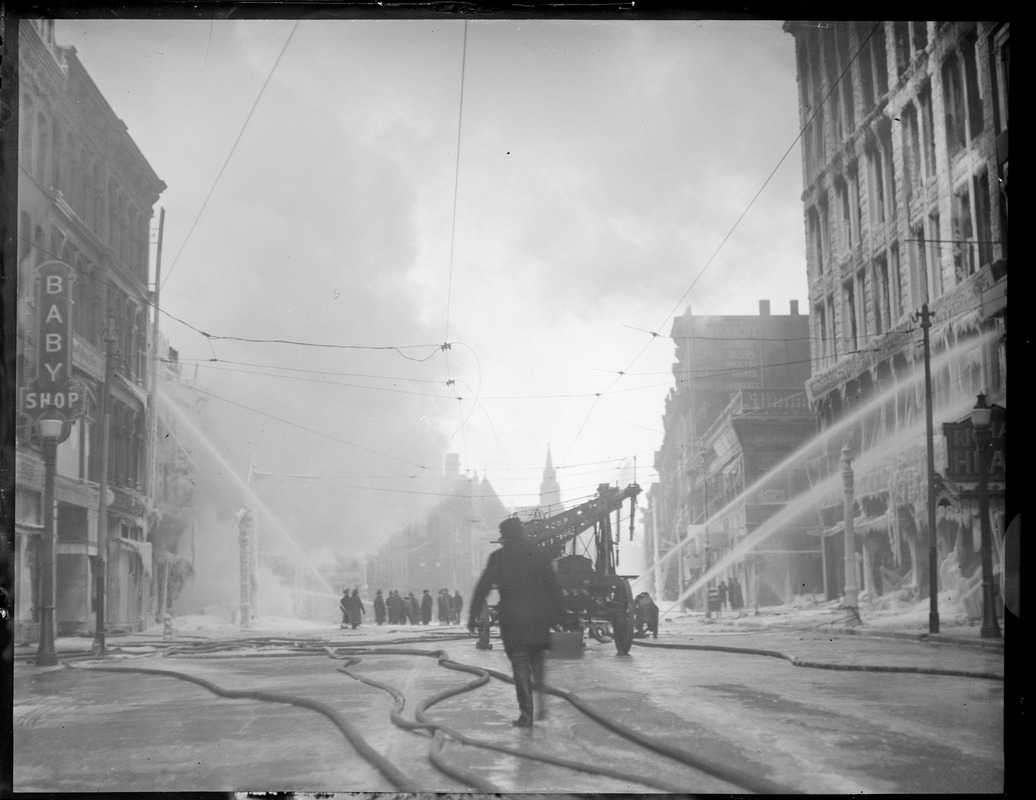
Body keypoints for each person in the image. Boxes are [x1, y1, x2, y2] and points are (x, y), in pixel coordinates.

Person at [469, 516, 564, 728]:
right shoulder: (540, 554)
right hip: (539, 617)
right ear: (522, 532)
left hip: (513, 619)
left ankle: (526, 714)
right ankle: (541, 701)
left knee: (520, 664)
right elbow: (554, 587)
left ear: (504, 535)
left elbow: (483, 586)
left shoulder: (498, 557)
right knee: (537, 660)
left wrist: (473, 614)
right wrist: (564, 615)